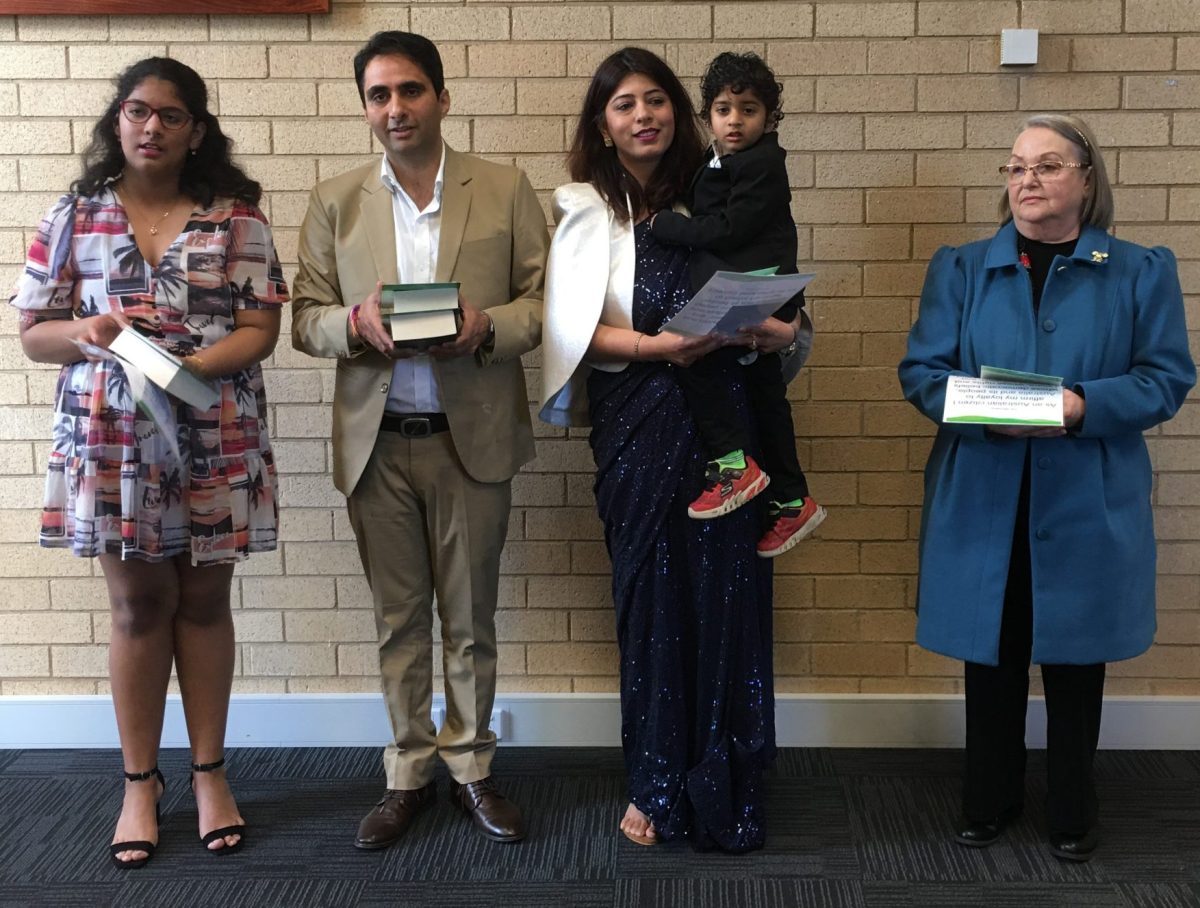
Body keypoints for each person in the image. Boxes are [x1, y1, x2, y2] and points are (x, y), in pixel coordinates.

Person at [9, 57, 287, 867]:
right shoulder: (75, 214)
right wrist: (86, 334)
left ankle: (208, 775)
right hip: (111, 440)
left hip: (213, 429)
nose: (152, 127)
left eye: (170, 115)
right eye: (138, 112)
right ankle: (139, 782)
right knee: (136, 609)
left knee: (203, 602)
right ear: (118, 120)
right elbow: (34, 333)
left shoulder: (236, 217)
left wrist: (193, 366)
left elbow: (261, 325)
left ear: (195, 128)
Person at [898, 113, 1194, 863]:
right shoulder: (962, 268)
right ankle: (987, 799)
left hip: (1085, 497)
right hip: (985, 492)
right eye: (1016, 167)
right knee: (991, 656)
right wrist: (991, 411)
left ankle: (1072, 808)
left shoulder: (1141, 269)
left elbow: (1165, 379)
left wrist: (1081, 406)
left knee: (1073, 661)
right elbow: (923, 374)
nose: (1027, 180)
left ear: (1087, 179)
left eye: (1048, 165)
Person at [290, 31, 548, 850]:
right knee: (398, 622)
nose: (394, 108)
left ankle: (471, 769)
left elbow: (547, 304)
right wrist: (353, 325)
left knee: (470, 619)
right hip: (377, 444)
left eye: (409, 91)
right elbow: (303, 317)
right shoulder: (336, 200)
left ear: (442, 95)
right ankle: (408, 773)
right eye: (377, 95)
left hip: (469, 438)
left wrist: (485, 328)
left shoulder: (505, 190)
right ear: (365, 106)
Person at [540, 47, 800, 853]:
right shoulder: (587, 208)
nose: (643, 114)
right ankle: (657, 781)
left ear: (681, 113)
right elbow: (570, 330)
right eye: (623, 104)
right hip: (639, 418)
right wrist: (658, 351)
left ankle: (728, 783)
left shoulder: (726, 188)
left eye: (656, 99)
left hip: (727, 432)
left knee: (727, 601)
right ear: (602, 124)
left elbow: (784, 291)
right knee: (651, 603)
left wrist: (779, 327)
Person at [651, 51, 824, 557]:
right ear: (708, 116)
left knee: (695, 357)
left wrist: (667, 225)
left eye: (748, 109)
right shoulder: (718, 161)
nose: (735, 120)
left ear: (768, 117)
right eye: (724, 109)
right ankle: (792, 500)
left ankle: (732, 463)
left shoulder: (764, 163)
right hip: (753, 286)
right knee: (765, 394)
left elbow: (730, 229)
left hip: (757, 287)